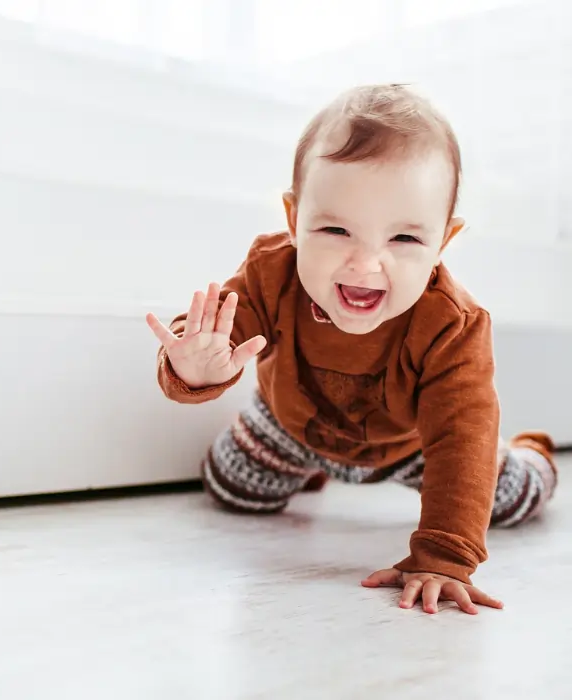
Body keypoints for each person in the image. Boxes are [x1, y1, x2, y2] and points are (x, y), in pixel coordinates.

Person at [146, 84, 557, 616]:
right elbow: (220, 328)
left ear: (443, 242)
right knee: (232, 490)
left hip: (410, 446)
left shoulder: (451, 325)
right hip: (288, 425)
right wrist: (194, 364)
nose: (365, 264)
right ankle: (310, 469)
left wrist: (442, 556)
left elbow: (460, 437)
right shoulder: (271, 273)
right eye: (336, 229)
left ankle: (532, 455)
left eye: (404, 240)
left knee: (505, 500)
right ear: (295, 221)